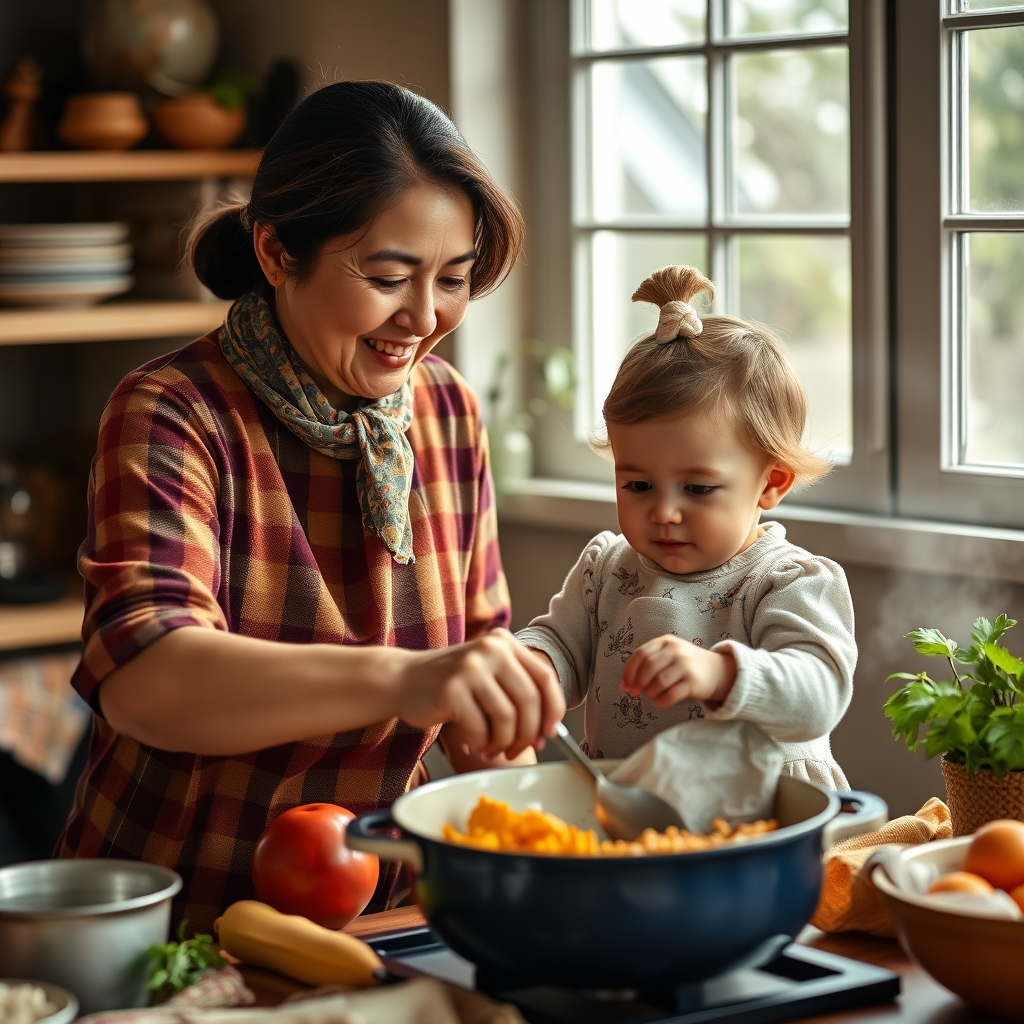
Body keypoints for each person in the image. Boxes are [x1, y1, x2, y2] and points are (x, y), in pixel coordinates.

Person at [58, 81, 564, 932]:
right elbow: (147, 679)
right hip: (180, 914)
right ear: (275, 252)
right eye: (389, 276)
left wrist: (495, 720)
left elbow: (474, 670)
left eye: (454, 279)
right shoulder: (173, 411)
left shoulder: (446, 413)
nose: (425, 317)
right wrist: (411, 677)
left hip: (382, 911)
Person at [517, 265, 854, 789]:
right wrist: (530, 669)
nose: (664, 512)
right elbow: (561, 646)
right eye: (638, 486)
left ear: (772, 483)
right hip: (627, 810)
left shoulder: (787, 581)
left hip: (762, 821)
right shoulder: (607, 569)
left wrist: (723, 675)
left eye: (697, 489)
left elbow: (820, 693)